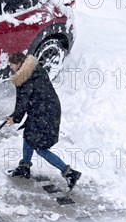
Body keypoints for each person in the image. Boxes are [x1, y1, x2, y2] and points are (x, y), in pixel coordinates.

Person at [6, 52, 81, 190]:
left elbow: (23, 102)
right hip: (49, 109)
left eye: (12, 64)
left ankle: (69, 173)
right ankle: (24, 167)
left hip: (43, 114)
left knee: (40, 148)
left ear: (19, 64)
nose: (11, 67)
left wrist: (15, 118)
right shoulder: (36, 70)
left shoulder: (24, 79)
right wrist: (16, 115)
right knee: (28, 136)